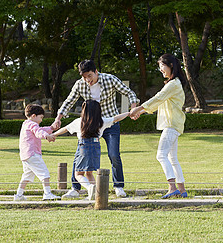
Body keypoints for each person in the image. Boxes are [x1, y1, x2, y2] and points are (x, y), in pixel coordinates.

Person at [52, 60, 139, 198]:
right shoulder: (80, 84)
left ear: (96, 71)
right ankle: (75, 189)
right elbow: (69, 101)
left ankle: (118, 186)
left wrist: (133, 108)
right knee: (79, 154)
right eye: (84, 77)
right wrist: (58, 118)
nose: (88, 80)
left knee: (114, 155)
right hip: (90, 125)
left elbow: (129, 92)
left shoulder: (110, 79)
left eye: (90, 76)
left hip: (110, 123)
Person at [130, 54, 187, 198]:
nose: (160, 69)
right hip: (174, 124)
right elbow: (159, 103)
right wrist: (141, 112)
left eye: (162, 66)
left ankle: (172, 187)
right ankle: (181, 190)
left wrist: (138, 108)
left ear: (171, 65)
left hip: (171, 125)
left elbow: (158, 98)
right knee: (172, 158)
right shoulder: (174, 83)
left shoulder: (173, 84)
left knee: (161, 155)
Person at [53, 100, 130, 200]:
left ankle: (90, 188)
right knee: (89, 173)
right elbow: (116, 118)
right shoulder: (101, 121)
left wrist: (53, 135)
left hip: (83, 147)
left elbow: (65, 129)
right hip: (96, 147)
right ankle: (97, 194)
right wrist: (128, 113)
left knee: (78, 174)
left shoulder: (79, 121)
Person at [14, 104, 60, 201]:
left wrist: (51, 128)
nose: (41, 120)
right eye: (41, 117)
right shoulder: (33, 125)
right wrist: (47, 136)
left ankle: (18, 195)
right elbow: (39, 132)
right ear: (34, 116)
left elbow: (41, 130)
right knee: (44, 173)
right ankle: (47, 193)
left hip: (26, 155)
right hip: (32, 154)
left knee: (27, 175)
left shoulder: (26, 124)